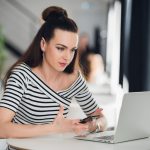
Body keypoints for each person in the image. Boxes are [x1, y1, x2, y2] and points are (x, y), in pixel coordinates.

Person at [0, 6, 107, 140]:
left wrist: (91, 125)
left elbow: (102, 120)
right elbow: (2, 129)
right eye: (60, 48)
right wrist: (54, 128)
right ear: (43, 44)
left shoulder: (74, 80)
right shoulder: (21, 76)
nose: (67, 57)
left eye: (72, 50)